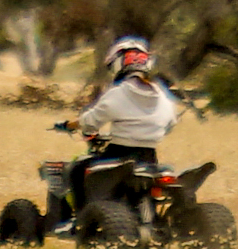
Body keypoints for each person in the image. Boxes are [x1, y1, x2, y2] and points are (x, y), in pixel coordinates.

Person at [51, 36, 180, 234]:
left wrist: (71, 125)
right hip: (149, 158)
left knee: (76, 169)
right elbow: (171, 122)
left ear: (117, 63)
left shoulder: (118, 92)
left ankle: (76, 221)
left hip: (117, 154)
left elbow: (90, 121)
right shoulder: (162, 94)